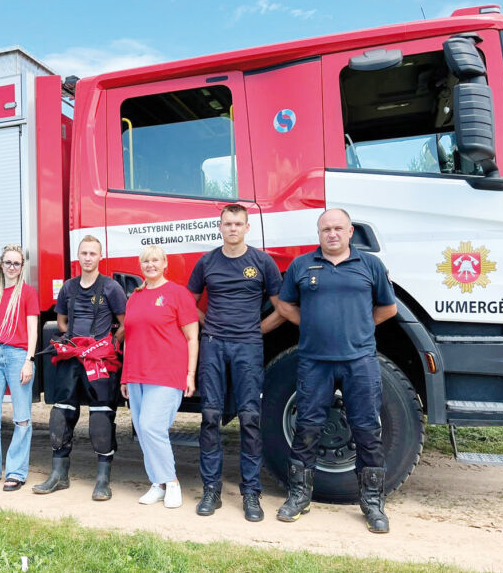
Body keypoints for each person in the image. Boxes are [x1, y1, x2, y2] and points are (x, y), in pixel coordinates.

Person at [275, 208, 397, 533]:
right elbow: (285, 305)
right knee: (307, 429)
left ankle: (372, 504)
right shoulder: (302, 266)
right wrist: (311, 325)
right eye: (326, 229)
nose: (332, 233)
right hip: (314, 361)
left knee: (368, 431)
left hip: (360, 361)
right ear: (319, 234)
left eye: (338, 228)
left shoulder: (370, 265)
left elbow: (388, 307)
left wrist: (361, 327)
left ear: (350, 231)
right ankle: (299, 497)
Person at [187, 204, 283, 522]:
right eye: (227, 223)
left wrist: (257, 330)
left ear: (247, 227)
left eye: (238, 223)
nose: (232, 228)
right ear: (220, 227)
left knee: (250, 419)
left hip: (248, 347)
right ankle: (211, 490)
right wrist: (206, 323)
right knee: (210, 416)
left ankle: (251, 494)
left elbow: (282, 307)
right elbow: (189, 300)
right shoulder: (207, 261)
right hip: (213, 345)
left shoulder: (261, 262)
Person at [32, 235, 126, 500]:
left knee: (100, 420)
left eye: (92, 253)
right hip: (72, 360)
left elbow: (124, 322)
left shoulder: (111, 288)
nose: (87, 258)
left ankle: (102, 480)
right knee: (60, 416)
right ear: (78, 256)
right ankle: (59, 475)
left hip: (100, 361)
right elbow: (61, 321)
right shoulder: (68, 288)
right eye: (83, 253)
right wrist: (77, 342)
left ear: (100, 256)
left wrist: (106, 345)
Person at [121, 246, 199, 509]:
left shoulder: (178, 294)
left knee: (152, 427)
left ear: (165, 263)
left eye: (155, 260)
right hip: (137, 373)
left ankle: (172, 482)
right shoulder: (135, 296)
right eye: (145, 261)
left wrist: (190, 374)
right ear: (140, 265)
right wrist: (124, 377)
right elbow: (129, 339)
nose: (150, 264)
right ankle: (158, 483)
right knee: (143, 432)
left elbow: (192, 337)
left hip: (167, 372)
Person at [0, 245, 40, 491]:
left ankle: (16, 471)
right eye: (8, 262)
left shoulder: (28, 294)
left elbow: (33, 329)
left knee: (22, 417)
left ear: (22, 268)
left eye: (16, 263)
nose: (12, 267)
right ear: (1, 264)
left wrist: (28, 361)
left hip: (17, 356)